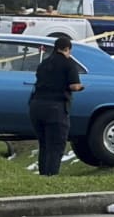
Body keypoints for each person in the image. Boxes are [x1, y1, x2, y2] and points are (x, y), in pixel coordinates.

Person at [28, 36, 84, 176]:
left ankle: (43, 175)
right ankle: (52, 176)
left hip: (36, 106)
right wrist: (81, 87)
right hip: (56, 108)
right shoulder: (68, 63)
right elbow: (74, 86)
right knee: (56, 146)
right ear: (67, 49)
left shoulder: (44, 63)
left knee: (44, 144)